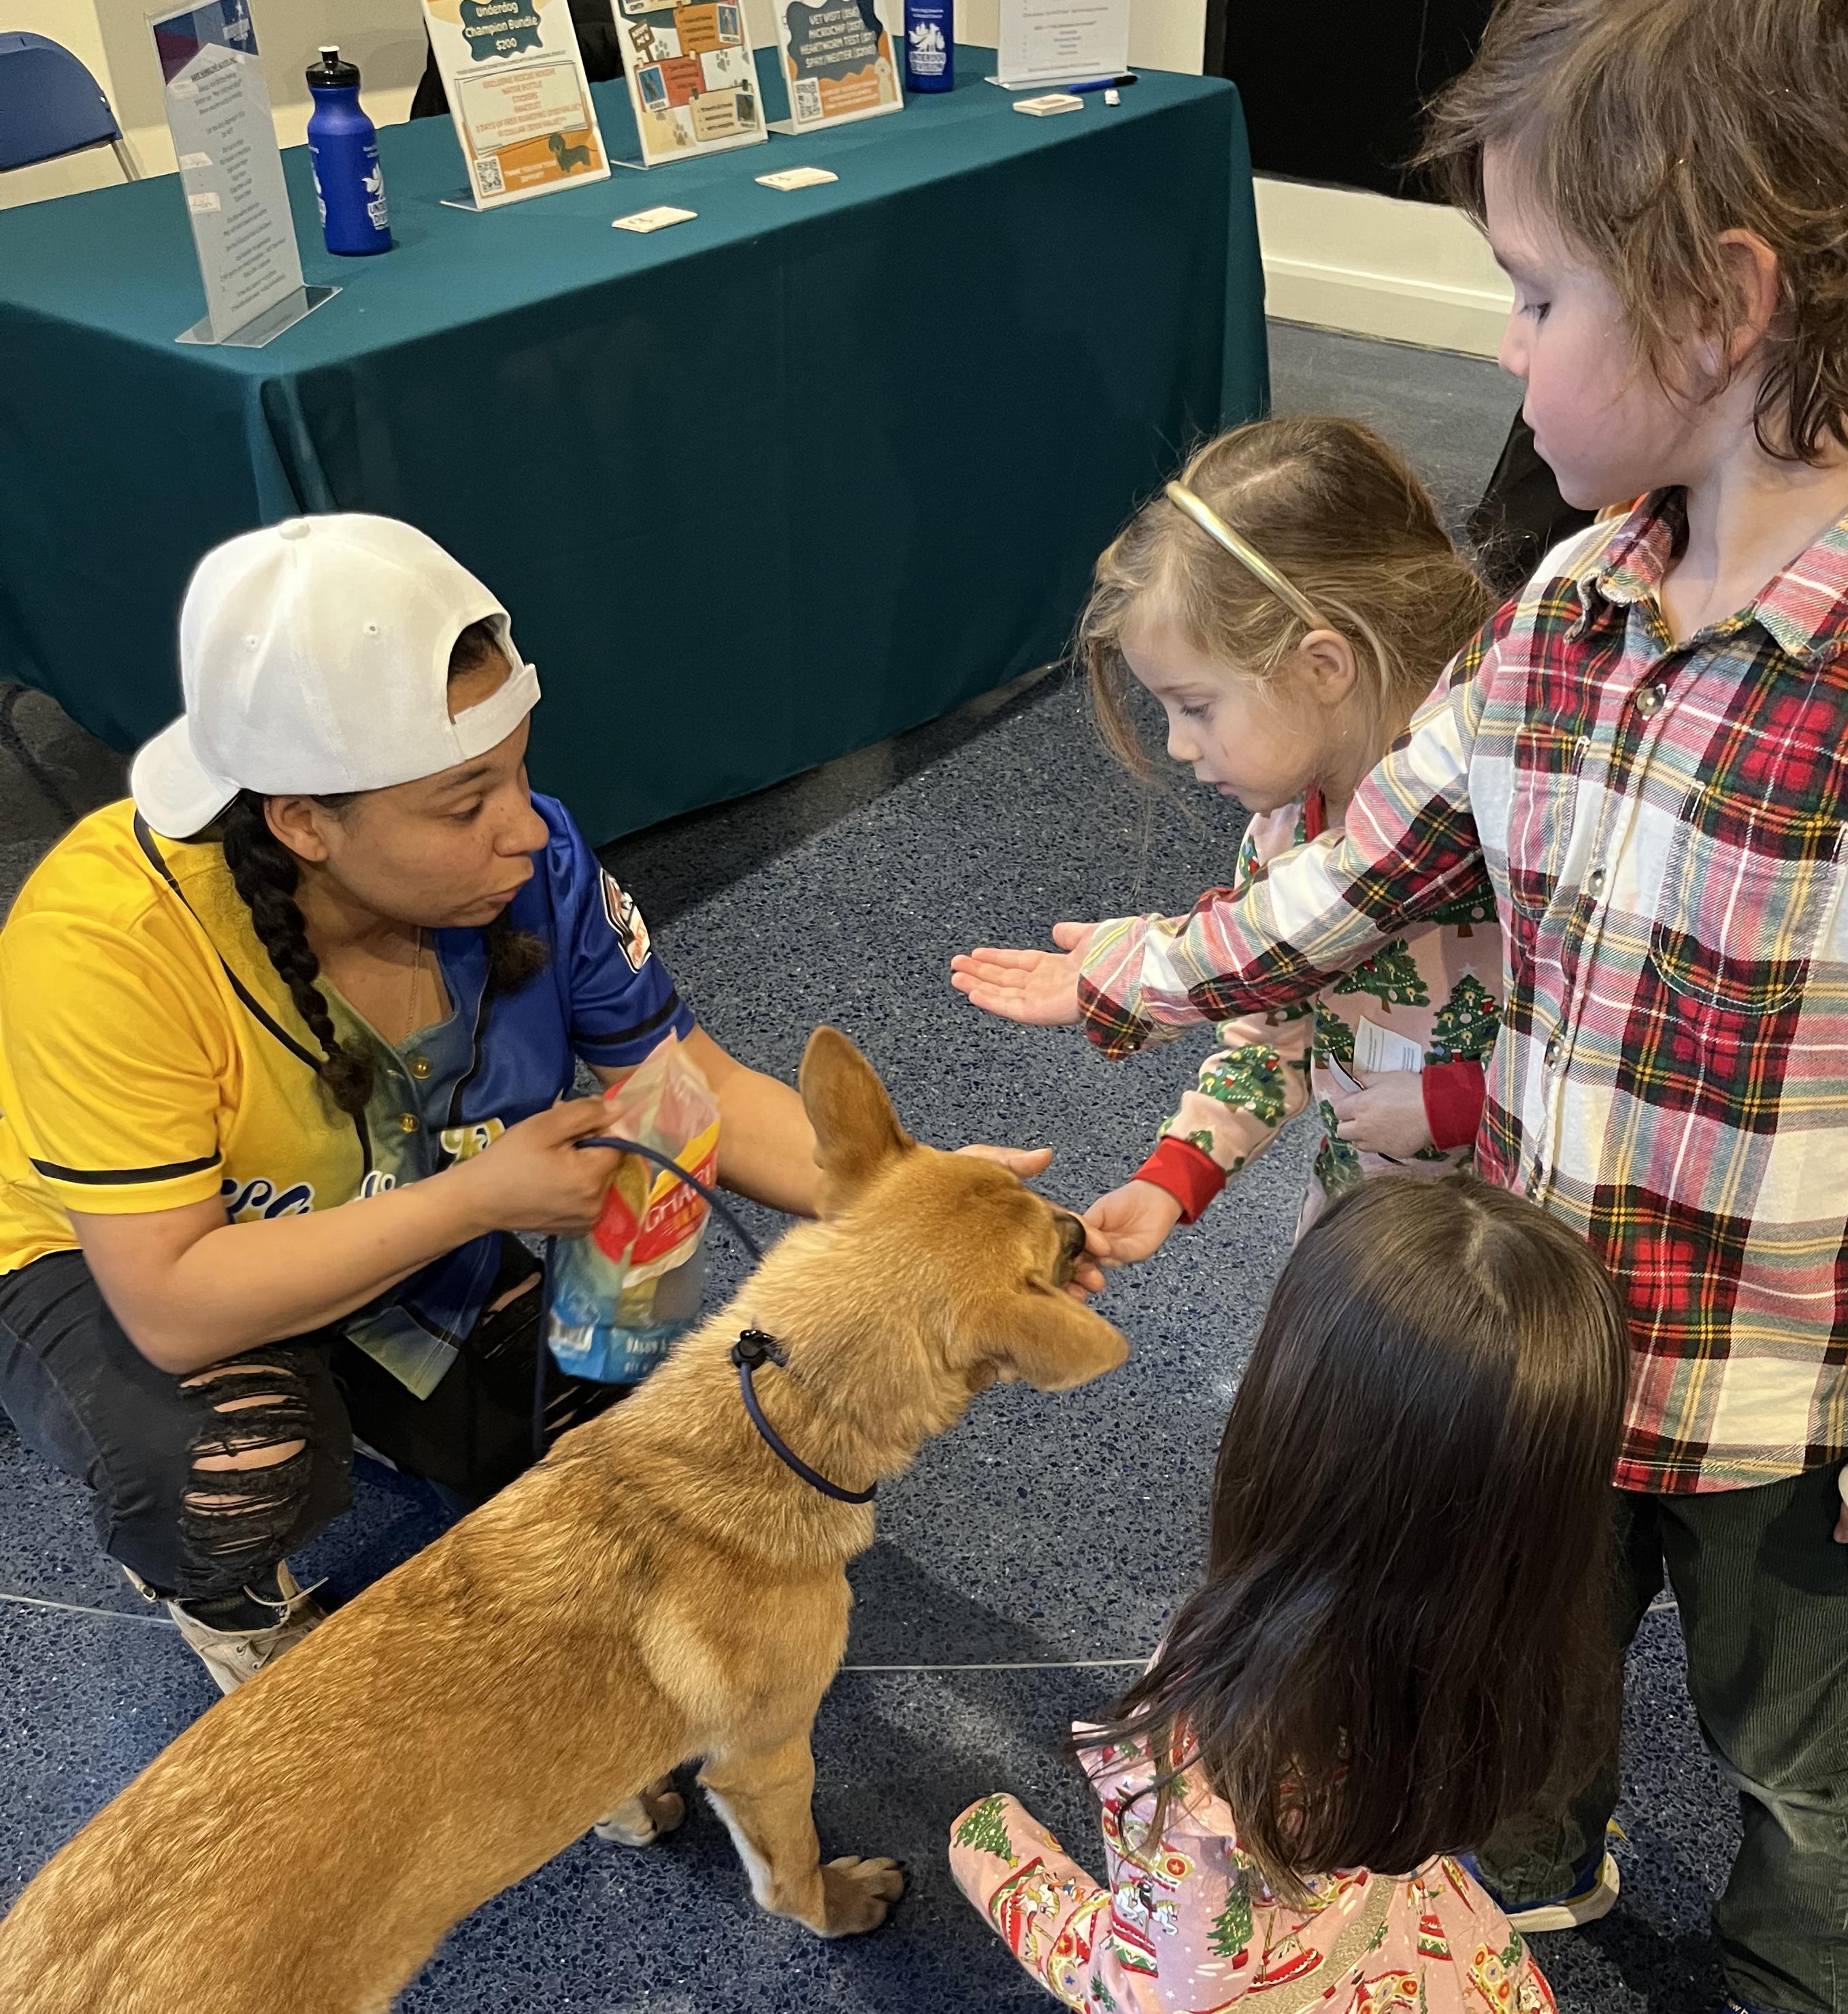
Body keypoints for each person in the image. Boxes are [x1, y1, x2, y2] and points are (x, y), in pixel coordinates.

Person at [951, 0, 1848, 2014]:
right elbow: (1374, 867)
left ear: (1722, 306)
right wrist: (1157, 974)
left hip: (1799, 1418)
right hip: (1549, 1345)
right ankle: (1537, 1859)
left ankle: (1796, 1972)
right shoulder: (1568, 601)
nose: (1506, 341)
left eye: (1536, 295)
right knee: (1531, 1644)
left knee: (1797, 1736)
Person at [0, 514, 1066, 1692]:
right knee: (230, 1465)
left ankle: (371, 1378)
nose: (527, 827)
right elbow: (172, 1306)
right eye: (465, 803)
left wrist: (910, 1210)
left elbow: (694, 1084)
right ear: (303, 819)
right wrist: (476, 1201)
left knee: (625, 1403)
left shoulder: (531, 860)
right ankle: (221, 1595)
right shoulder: (108, 943)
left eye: (517, 770)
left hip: (403, 1199)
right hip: (111, 1255)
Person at [951, 1178, 1848, 2014]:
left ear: (1290, 1427)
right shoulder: (1506, 1637)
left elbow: (1173, 1986)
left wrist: (1004, 1867)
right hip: (1394, 1968)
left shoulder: (1224, 1728)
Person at [1070, 418, 1499, 1274]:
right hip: (1359, 1225)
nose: (1180, 745)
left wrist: (1455, 1107)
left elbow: (1608, 1058)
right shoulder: (1281, 836)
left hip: (1505, 1245)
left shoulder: (1503, 829)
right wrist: (1172, 1176)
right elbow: (1271, 1044)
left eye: (1196, 707)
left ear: (1322, 666)